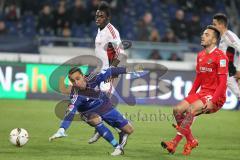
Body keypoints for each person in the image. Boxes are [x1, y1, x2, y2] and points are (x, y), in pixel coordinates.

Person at [161, 25, 228, 155]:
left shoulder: (221, 57)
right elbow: (199, 77)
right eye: (203, 34)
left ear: (214, 40)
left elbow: (223, 83)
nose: (202, 36)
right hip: (202, 93)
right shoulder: (201, 55)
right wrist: (191, 95)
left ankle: (173, 143)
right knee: (177, 110)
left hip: (215, 96)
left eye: (207, 35)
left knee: (191, 109)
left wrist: (213, 101)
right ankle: (191, 140)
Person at [50, 66, 134, 156]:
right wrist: (62, 129)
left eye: (78, 79)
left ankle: (113, 131)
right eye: (73, 81)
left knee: (129, 130)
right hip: (88, 111)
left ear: (83, 76)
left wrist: (129, 69)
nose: (76, 83)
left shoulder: (93, 78)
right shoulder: (75, 95)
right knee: (95, 120)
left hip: (103, 105)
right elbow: (71, 112)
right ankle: (117, 147)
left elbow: (110, 71)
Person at [212, 13, 240, 110]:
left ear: (221, 25)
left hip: (233, 73)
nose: (213, 27)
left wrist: (239, 69)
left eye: (215, 24)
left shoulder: (229, 36)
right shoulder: (223, 37)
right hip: (225, 74)